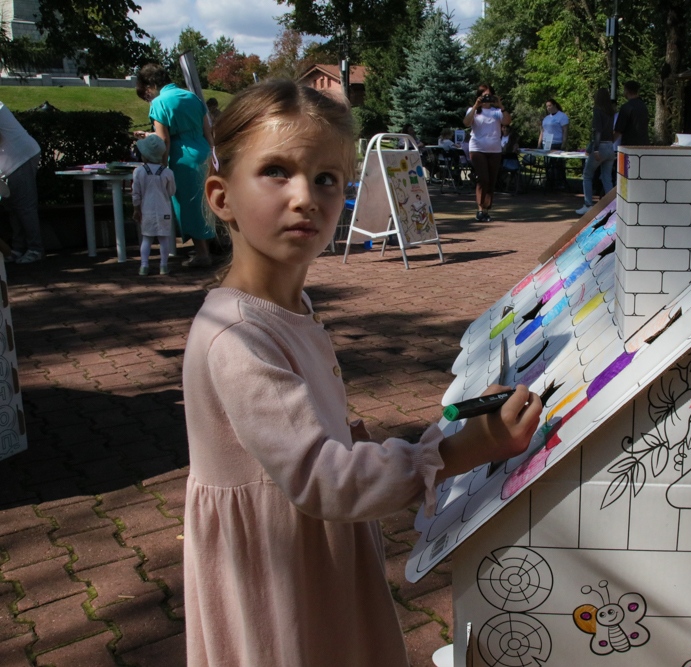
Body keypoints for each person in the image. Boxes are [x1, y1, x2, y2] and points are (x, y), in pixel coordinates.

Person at [185, 79, 542, 667]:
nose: (306, 196)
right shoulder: (238, 337)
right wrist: (459, 451)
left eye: (326, 178)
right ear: (222, 197)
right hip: (278, 573)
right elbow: (323, 479)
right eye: (276, 171)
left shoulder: (287, 307)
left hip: (312, 549)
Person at [135, 63, 215, 268]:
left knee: (190, 206)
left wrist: (161, 168)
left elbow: (164, 140)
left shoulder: (159, 103)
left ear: (151, 85)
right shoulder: (192, 97)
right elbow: (208, 131)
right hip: (204, 153)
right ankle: (210, 248)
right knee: (207, 202)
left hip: (183, 158)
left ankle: (202, 253)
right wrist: (214, 155)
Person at [0, 101, 44, 264]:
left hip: (20, 158)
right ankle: (18, 249)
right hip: (12, 161)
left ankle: (35, 249)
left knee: (24, 207)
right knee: (12, 207)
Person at [464, 84, 510, 221]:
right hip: (477, 149)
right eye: (484, 96)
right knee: (483, 178)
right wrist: (475, 106)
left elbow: (507, 121)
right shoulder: (473, 111)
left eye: (489, 96)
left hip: (494, 150)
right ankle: (480, 208)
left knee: (491, 180)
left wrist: (501, 106)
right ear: (479, 96)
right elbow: (466, 123)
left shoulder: (497, 112)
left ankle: (486, 210)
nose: (486, 98)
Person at [131, 135, 175, 276]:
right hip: (164, 210)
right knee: (164, 239)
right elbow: (171, 191)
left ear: (145, 156)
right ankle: (163, 266)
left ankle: (144, 266)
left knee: (147, 238)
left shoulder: (139, 172)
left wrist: (136, 208)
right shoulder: (167, 172)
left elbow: (136, 193)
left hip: (146, 210)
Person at [576, 88, 616, 216]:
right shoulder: (611, 112)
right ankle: (612, 205)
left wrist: (596, 148)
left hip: (601, 146)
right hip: (610, 146)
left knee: (587, 175)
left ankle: (588, 204)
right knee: (607, 177)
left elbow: (597, 131)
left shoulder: (597, 111)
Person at [538, 99, 569, 189]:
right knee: (548, 165)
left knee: (558, 165)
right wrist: (539, 143)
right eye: (547, 106)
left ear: (555, 105)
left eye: (550, 106)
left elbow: (565, 131)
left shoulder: (562, 116)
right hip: (546, 143)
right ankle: (550, 182)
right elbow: (542, 131)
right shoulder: (546, 118)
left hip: (556, 143)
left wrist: (564, 143)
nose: (548, 108)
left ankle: (560, 183)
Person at [613, 81, 650, 146]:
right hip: (643, 144)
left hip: (629, 145)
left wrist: (609, 143)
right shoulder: (643, 106)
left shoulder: (626, 107)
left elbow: (619, 130)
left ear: (626, 91)